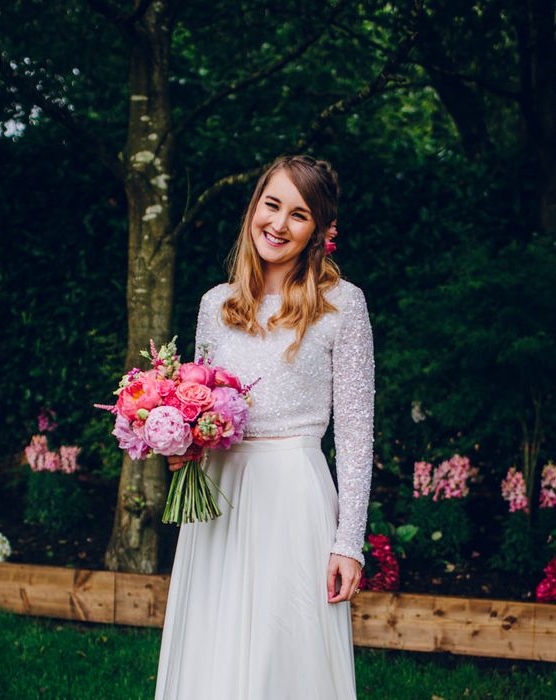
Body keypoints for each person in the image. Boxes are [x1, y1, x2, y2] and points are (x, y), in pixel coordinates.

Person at [153, 154, 375, 700]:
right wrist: (183, 442)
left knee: (285, 646)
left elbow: (354, 432)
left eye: (298, 215)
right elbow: (200, 402)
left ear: (321, 230)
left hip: (292, 492)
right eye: (271, 205)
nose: (278, 224)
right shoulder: (216, 304)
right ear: (255, 207)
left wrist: (350, 542)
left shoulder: (342, 307)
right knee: (215, 638)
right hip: (220, 495)